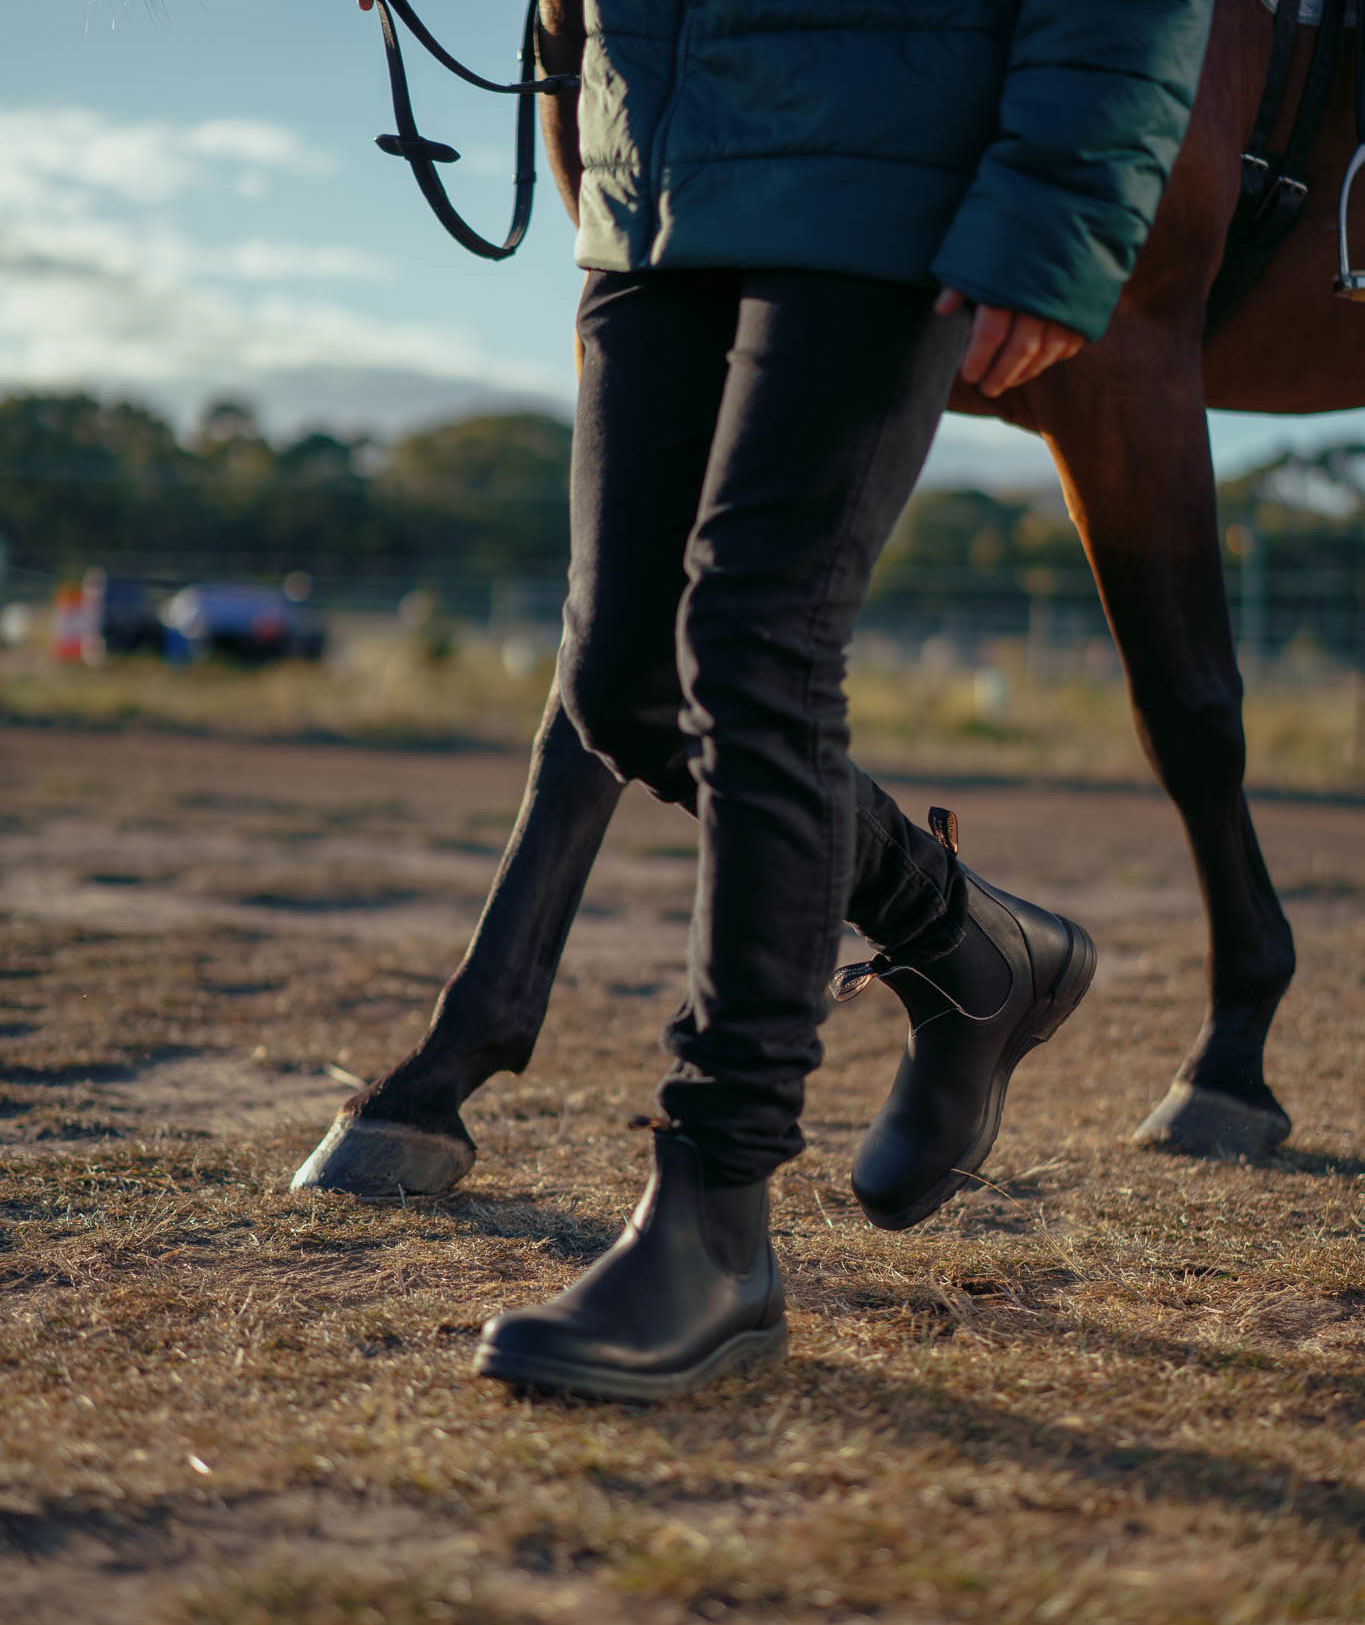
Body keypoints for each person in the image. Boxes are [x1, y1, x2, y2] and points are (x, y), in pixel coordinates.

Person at [363, 0, 1214, 1400]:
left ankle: (714, 1216)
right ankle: (971, 943)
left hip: (892, 159)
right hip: (655, 157)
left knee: (758, 644)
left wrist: (1057, 206)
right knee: (622, 687)